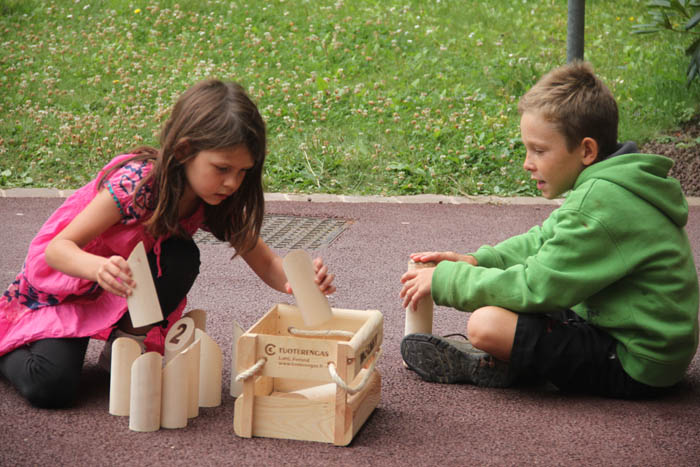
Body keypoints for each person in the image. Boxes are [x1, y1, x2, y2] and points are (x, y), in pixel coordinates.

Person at [0, 79, 336, 409]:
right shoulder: (137, 184)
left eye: (243, 171)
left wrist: (300, 282)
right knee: (51, 387)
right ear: (184, 151)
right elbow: (57, 249)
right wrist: (98, 267)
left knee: (181, 256)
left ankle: (124, 347)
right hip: (65, 290)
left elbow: (267, 264)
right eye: (222, 168)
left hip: (118, 285)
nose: (233, 182)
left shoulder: (217, 197)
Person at [399, 61, 699, 398]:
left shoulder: (600, 204)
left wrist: (446, 281)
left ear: (587, 150)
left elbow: (535, 286)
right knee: (505, 303)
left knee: (487, 326)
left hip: (638, 361)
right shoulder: (611, 187)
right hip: (625, 331)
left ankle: (514, 363)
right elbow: (543, 240)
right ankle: (520, 359)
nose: (528, 163)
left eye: (539, 151)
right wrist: (477, 262)